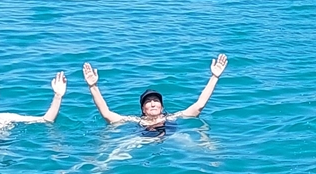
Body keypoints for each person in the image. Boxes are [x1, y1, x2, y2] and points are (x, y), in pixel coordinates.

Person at [83, 54, 228, 133]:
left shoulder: (172, 117)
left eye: (156, 100)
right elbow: (106, 114)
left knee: (199, 146)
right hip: (141, 139)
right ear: (143, 110)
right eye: (148, 101)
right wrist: (93, 86)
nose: (152, 103)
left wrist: (214, 77)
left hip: (171, 138)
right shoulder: (135, 120)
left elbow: (200, 105)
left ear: (162, 107)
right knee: (116, 153)